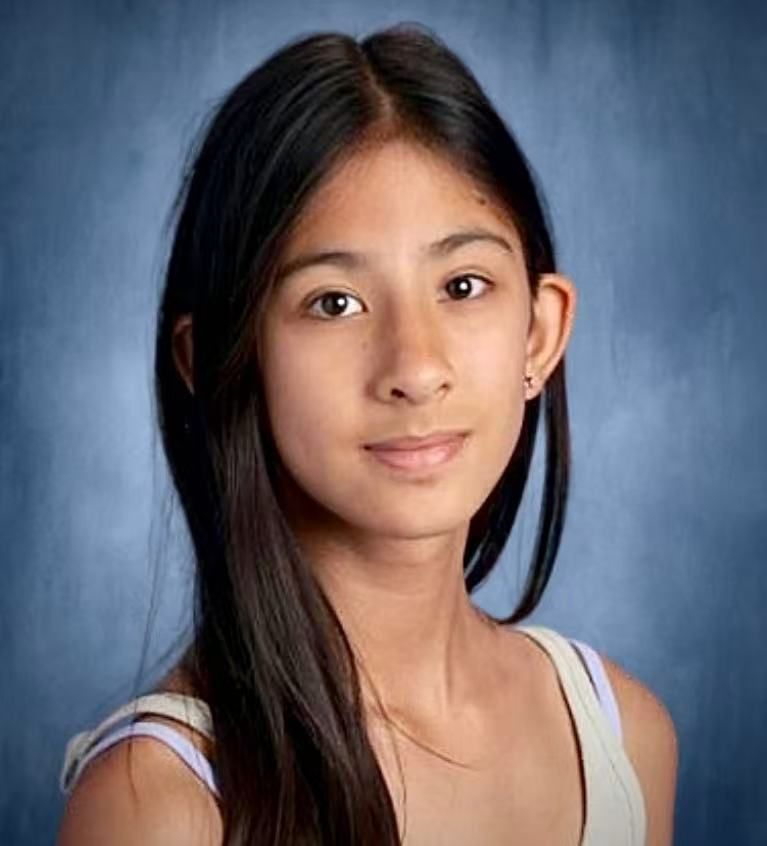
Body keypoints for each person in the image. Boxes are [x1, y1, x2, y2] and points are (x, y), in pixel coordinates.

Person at [57, 23, 678, 846]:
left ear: (538, 334)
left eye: (462, 285)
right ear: (214, 362)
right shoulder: (163, 807)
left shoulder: (625, 739)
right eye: (334, 302)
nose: (415, 368)